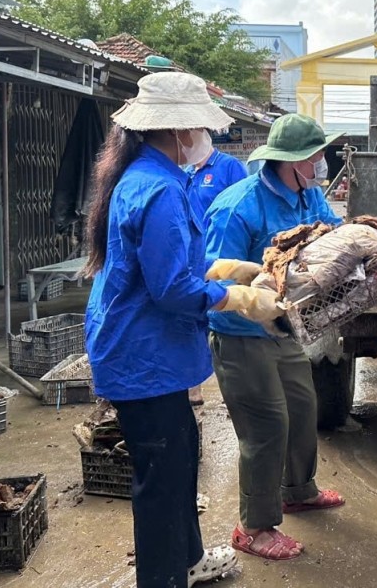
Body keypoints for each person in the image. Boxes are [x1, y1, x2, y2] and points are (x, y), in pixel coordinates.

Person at [83, 72, 284, 588]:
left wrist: (220, 269)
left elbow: (164, 263)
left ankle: (188, 560)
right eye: (198, 126)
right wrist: (237, 298)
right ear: (176, 131)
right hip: (144, 355)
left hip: (143, 349)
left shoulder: (150, 176)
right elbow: (171, 289)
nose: (203, 138)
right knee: (164, 481)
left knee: (180, 456)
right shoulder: (159, 189)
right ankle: (163, 577)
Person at [203, 113, 346, 561]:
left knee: (303, 409)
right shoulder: (238, 207)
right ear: (295, 160)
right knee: (266, 426)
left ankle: (297, 490)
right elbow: (211, 276)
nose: (323, 163)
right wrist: (251, 296)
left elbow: (330, 234)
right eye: (318, 156)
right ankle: (254, 526)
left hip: (284, 326)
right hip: (240, 334)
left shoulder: (309, 195)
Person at [186, 148, 248, 406]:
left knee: (226, 315)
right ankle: (193, 388)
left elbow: (243, 203)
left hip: (221, 254)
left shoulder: (228, 166)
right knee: (192, 318)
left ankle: (234, 390)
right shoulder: (187, 171)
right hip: (191, 257)